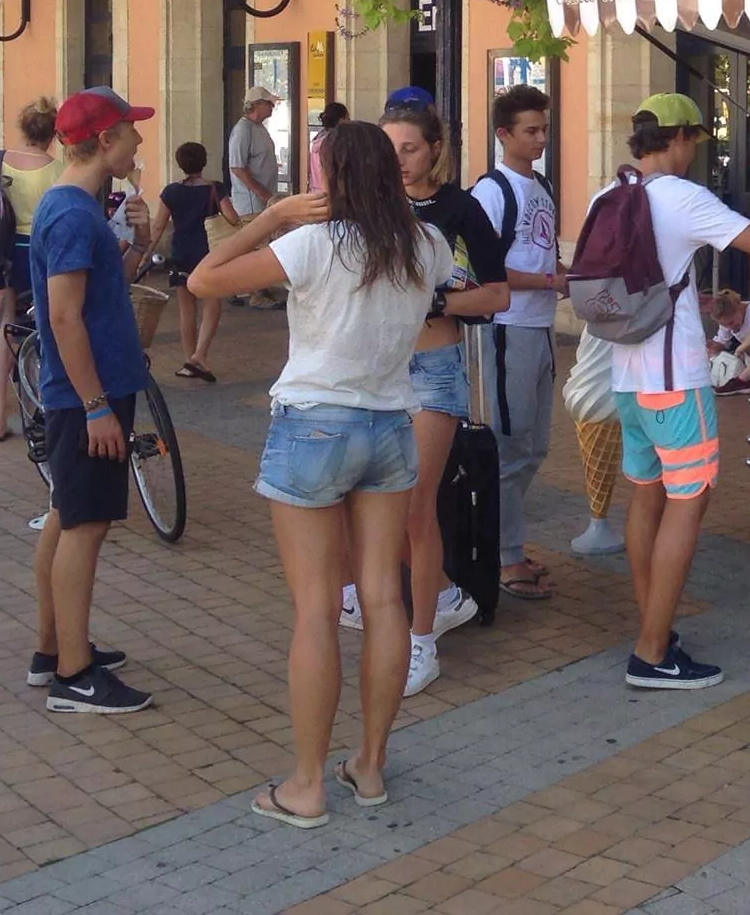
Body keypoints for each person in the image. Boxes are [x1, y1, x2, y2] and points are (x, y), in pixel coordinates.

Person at [188, 122, 460, 828]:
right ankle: (369, 765)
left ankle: (306, 784)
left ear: (333, 175)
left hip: (313, 424)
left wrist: (270, 217)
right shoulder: (425, 245)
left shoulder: (311, 242)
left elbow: (202, 278)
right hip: (391, 425)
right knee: (384, 599)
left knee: (315, 606)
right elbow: (451, 292)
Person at [603, 93, 750, 691]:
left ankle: (652, 625)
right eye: (694, 142)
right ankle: (652, 651)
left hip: (626, 377)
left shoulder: (610, 194)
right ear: (679, 138)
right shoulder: (683, 196)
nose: (695, 155)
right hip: (675, 378)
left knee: (645, 496)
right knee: (691, 501)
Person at [364, 101, 509, 695]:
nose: (399, 161)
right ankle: (444, 592)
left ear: (434, 150)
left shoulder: (459, 208)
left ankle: (421, 642)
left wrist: (435, 303)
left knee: (415, 507)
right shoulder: (365, 206)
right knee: (380, 504)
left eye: (410, 148)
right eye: (389, 148)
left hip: (432, 369)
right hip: (373, 372)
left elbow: (496, 294)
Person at [27, 87, 156, 714]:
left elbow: (108, 291)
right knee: (85, 525)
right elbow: (65, 317)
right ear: (104, 140)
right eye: (131, 130)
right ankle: (73, 676)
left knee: (66, 515)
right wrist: (96, 405)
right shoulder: (74, 214)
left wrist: (139, 242)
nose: (139, 141)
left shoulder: (77, 207)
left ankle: (56, 649)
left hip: (87, 391)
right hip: (85, 397)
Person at [470, 84, 565, 601]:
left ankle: (504, 543)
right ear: (503, 134)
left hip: (540, 328)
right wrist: (549, 281)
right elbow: (484, 270)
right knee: (510, 445)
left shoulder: (542, 186)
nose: (541, 139)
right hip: (508, 329)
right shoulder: (492, 191)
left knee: (534, 445)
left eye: (544, 129)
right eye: (531, 131)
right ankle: (505, 558)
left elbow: (538, 253)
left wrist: (564, 275)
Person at [0, 100, 62, 444]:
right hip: (33, 255)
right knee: (34, 335)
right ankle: (34, 409)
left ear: (22, 128)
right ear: (54, 133)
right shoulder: (58, 170)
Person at [148, 142, 238, 383]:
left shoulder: (170, 192)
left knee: (186, 309)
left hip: (180, 253)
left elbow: (158, 226)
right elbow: (231, 218)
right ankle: (200, 355)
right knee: (212, 306)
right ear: (203, 162)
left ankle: (189, 360)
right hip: (208, 255)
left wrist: (145, 252)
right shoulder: (214, 189)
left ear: (180, 163)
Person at [227, 85, 283, 310]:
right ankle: (255, 292)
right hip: (250, 199)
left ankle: (252, 287)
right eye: (269, 103)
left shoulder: (258, 128)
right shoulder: (243, 130)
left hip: (262, 196)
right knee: (256, 244)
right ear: (257, 104)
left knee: (259, 242)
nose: (272, 107)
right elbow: (237, 166)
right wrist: (260, 191)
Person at [706, 288, 750, 394]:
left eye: (731, 322)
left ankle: (742, 381)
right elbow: (720, 342)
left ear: (739, 308)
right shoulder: (727, 323)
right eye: (724, 325)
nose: (729, 327)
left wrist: (740, 349)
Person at [307, 101, 349, 192]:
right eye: (347, 118)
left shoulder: (317, 139)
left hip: (315, 191)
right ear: (341, 120)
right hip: (330, 194)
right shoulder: (336, 142)